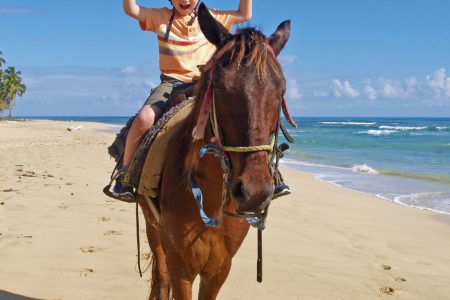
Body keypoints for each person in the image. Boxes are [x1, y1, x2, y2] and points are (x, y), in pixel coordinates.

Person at [113, 0, 253, 200]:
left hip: (206, 83)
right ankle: (125, 176)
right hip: (171, 83)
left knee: (244, 114)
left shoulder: (211, 16)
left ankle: (268, 174)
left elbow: (244, 14)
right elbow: (130, 9)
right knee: (144, 118)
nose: (185, 0)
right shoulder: (160, 17)